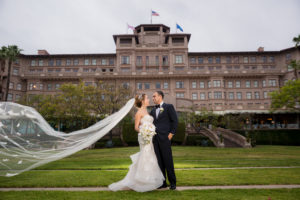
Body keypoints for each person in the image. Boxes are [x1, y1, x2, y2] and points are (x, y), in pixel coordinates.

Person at [108, 94, 165, 192]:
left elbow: (149, 124)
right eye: (147, 98)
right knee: (146, 156)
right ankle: (141, 181)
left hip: (149, 137)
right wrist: (145, 132)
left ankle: (147, 181)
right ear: (142, 101)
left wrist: (150, 130)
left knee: (150, 157)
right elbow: (136, 127)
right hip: (144, 137)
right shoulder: (139, 113)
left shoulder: (146, 111)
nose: (149, 100)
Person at [150, 91, 178, 190]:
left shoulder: (169, 107)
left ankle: (173, 183)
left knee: (168, 160)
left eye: (154, 96)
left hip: (165, 138)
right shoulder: (153, 110)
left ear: (160, 96)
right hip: (155, 139)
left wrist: (171, 134)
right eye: (152, 97)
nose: (153, 98)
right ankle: (162, 183)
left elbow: (175, 121)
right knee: (159, 162)